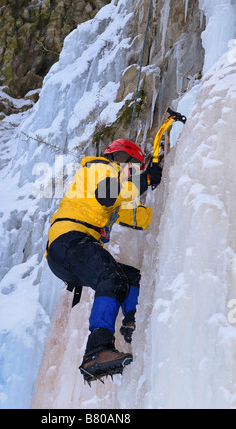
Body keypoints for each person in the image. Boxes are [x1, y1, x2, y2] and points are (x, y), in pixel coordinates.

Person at [46, 139, 162, 381]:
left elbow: (136, 218)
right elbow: (109, 195)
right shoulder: (100, 167)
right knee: (111, 278)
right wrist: (146, 179)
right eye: (133, 165)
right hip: (70, 239)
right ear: (121, 157)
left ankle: (132, 322)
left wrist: (161, 189)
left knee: (130, 277)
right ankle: (97, 351)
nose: (132, 171)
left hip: (66, 253)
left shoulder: (108, 187)